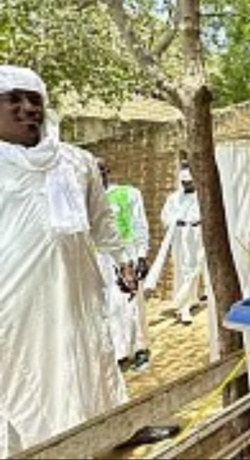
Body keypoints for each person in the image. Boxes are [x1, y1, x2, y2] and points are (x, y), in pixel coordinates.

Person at [0, 65, 134, 457]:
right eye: (14, 99)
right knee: (26, 390)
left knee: (87, 367)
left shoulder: (77, 162)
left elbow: (102, 222)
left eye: (35, 99)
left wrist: (124, 261)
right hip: (15, 307)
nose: (28, 108)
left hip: (78, 295)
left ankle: (102, 442)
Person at [97, 159, 152, 371]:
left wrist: (141, 255)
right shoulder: (87, 199)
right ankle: (119, 352)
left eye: (101, 170)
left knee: (130, 304)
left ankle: (140, 349)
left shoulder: (128, 193)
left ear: (107, 172)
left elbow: (139, 224)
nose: (98, 175)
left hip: (126, 256)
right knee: (110, 306)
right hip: (101, 259)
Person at [159, 163, 207, 325]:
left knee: (195, 268)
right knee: (183, 269)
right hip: (181, 237)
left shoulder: (201, 196)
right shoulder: (173, 199)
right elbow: (165, 217)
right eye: (184, 182)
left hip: (197, 234)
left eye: (189, 182)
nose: (187, 185)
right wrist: (176, 221)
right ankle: (183, 308)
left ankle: (192, 299)